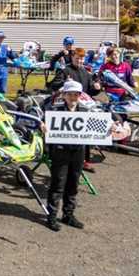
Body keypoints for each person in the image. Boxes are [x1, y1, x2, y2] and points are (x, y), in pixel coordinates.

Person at [44, 80, 88, 232]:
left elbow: (98, 127)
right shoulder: (55, 111)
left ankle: (68, 215)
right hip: (60, 151)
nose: (73, 97)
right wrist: (42, 126)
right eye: (70, 94)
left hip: (78, 151)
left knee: (73, 183)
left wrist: (110, 127)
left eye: (76, 94)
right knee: (58, 184)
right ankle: (51, 216)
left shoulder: (85, 111)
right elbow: (43, 123)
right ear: (64, 95)